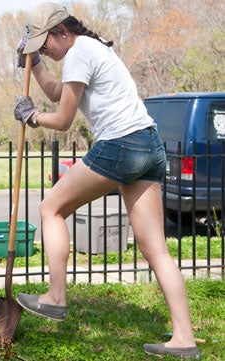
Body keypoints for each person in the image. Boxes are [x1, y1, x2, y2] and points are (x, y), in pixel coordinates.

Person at [13, 3, 200, 359]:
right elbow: (57, 92)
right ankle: (184, 339)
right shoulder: (89, 49)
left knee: (50, 208)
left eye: (45, 45)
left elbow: (63, 118)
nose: (45, 52)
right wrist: (34, 65)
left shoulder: (78, 52)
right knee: (156, 249)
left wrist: (32, 117)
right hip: (148, 143)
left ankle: (54, 297)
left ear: (62, 32)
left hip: (120, 144)